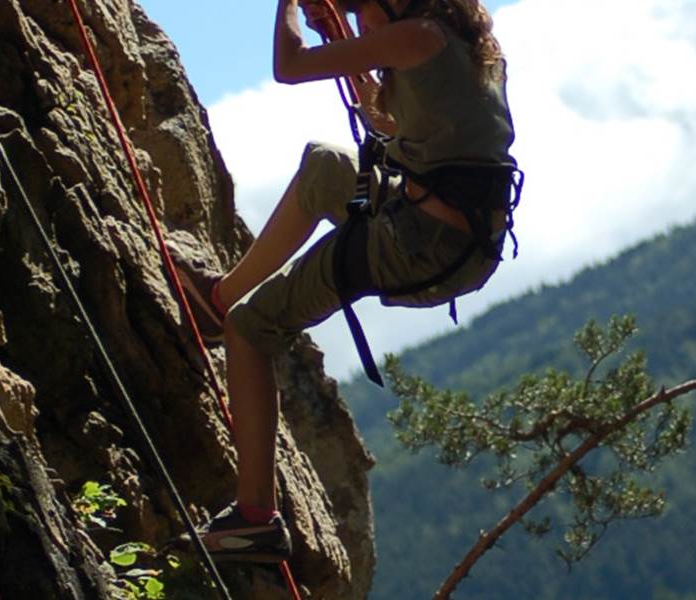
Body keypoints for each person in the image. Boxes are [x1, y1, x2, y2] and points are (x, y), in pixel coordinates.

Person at [172, 0, 518, 562]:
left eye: (360, 10)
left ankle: (254, 519)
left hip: (419, 243)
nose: (357, 22)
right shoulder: (465, 47)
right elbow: (390, 124)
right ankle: (220, 297)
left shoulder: (417, 37)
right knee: (324, 167)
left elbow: (291, 66)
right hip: (452, 238)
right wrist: (339, 33)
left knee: (254, 326)